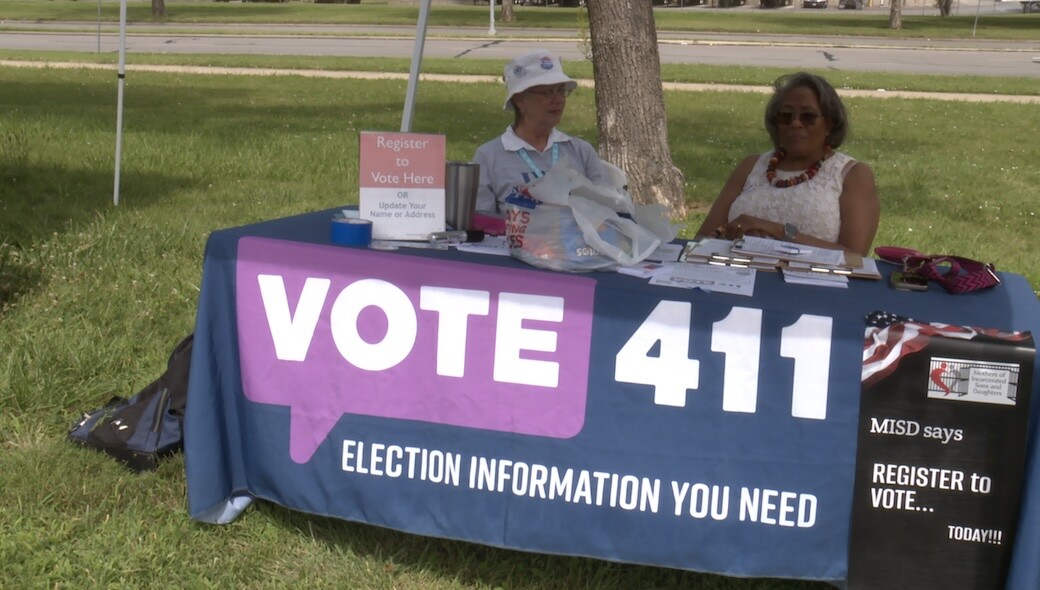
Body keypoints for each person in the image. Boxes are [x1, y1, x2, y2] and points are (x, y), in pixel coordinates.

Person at [695, 72, 879, 256]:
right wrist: (728, 236)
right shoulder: (751, 166)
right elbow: (701, 239)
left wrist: (778, 231)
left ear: (830, 124)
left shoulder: (852, 175)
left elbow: (854, 256)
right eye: (786, 116)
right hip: (736, 270)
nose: (795, 123)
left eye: (808, 116)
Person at [473, 49, 606, 216]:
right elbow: (482, 222)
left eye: (561, 90)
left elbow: (606, 211)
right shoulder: (489, 157)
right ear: (520, 99)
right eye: (547, 92)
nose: (558, 99)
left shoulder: (581, 152)